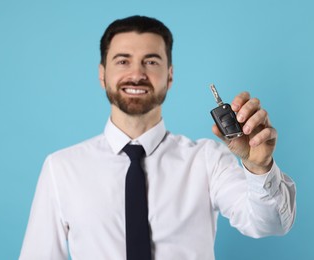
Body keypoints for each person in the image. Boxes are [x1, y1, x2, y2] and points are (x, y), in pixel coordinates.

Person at [19, 15, 296, 260]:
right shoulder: (61, 168)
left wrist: (259, 168)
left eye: (151, 61)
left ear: (170, 75)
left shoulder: (207, 160)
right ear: (102, 75)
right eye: (122, 61)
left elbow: (270, 223)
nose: (137, 74)